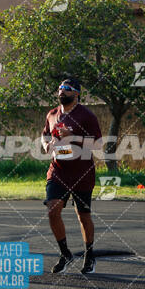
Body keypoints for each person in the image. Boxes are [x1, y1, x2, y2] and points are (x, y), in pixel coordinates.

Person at [41, 77, 102, 274]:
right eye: (59, 88)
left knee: (83, 216)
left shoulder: (86, 116)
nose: (61, 91)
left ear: (76, 93)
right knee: (53, 209)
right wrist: (47, 145)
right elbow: (45, 135)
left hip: (81, 172)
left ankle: (89, 255)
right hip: (58, 170)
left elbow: (99, 145)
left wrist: (72, 137)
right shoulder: (52, 114)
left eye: (66, 89)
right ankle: (65, 253)